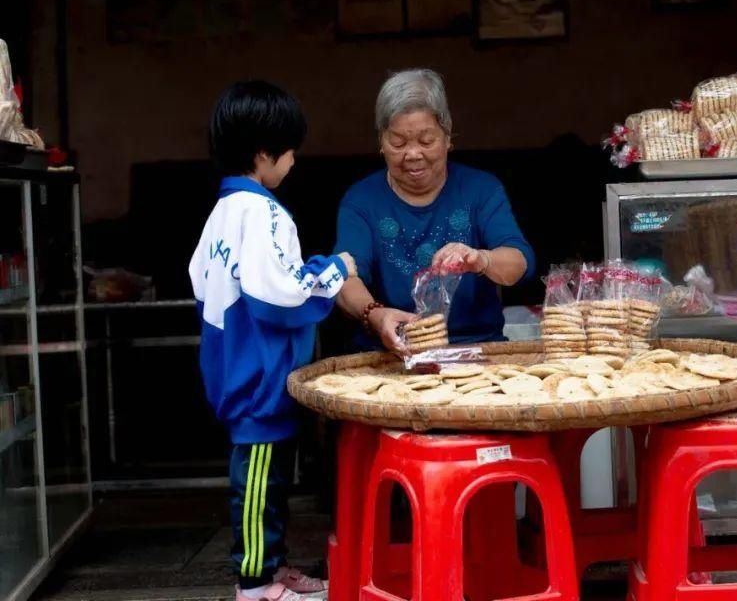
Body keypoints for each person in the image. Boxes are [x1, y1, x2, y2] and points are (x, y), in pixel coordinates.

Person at [189, 80, 357, 601]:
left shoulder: (222, 212)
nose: (293, 162)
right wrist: (334, 271)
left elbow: (204, 278)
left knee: (270, 477)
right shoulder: (262, 212)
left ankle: (273, 566)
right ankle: (256, 584)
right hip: (259, 379)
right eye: (289, 152)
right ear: (264, 153)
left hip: (235, 366)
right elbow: (277, 293)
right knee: (259, 483)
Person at [334, 69, 535, 351]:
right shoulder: (361, 201)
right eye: (398, 142)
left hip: (476, 349)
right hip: (391, 353)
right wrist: (376, 316)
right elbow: (344, 277)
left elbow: (520, 262)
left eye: (426, 141)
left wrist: (480, 259)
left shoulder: (481, 190)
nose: (413, 154)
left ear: (448, 136)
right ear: (381, 141)